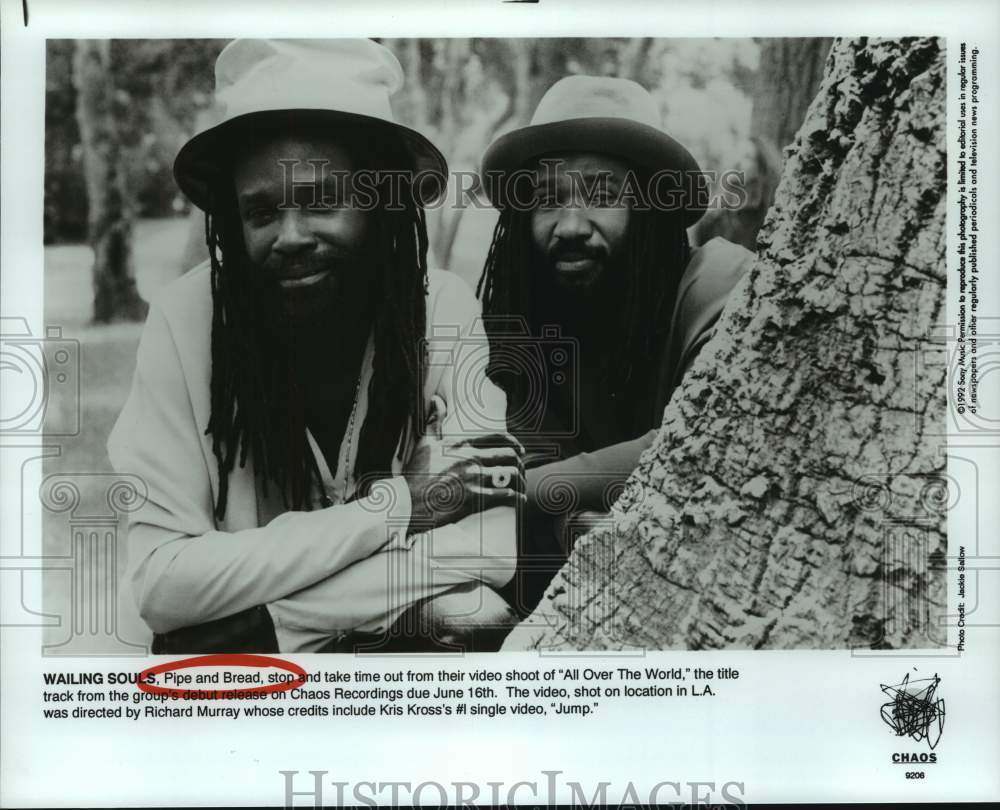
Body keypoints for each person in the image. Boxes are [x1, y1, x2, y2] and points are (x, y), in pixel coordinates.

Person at [108, 39, 523, 654]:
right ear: (231, 220)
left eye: (322, 200)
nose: (291, 236)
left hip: (247, 641)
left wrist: (264, 625)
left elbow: (487, 548)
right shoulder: (184, 321)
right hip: (238, 693)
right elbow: (163, 584)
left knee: (476, 614)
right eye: (261, 212)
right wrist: (397, 508)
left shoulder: (443, 311)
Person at [475, 75, 755, 615]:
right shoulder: (520, 323)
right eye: (547, 200)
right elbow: (519, 460)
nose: (571, 224)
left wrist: (523, 493)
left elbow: (705, 441)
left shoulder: (718, 283)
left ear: (651, 209)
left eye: (602, 194)